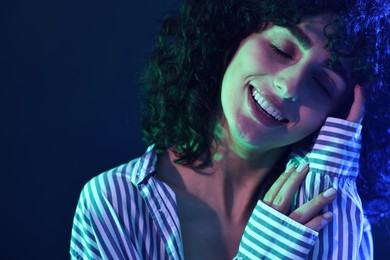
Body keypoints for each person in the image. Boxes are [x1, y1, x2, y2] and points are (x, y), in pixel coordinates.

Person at [70, 0, 389, 259]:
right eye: (280, 48)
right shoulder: (116, 202)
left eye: (322, 83)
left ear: (337, 115)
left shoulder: (338, 219)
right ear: (233, 36)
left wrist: (336, 168)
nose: (288, 86)